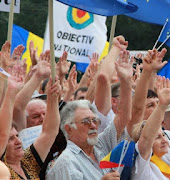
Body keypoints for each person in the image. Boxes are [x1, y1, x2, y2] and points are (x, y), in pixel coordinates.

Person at [47, 41, 133, 179]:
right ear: (69, 129)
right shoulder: (66, 163)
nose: (93, 125)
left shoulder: (100, 146)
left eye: (95, 120)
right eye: (86, 121)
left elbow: (122, 117)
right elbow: (102, 79)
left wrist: (127, 82)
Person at [1, 76, 61, 179]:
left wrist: (53, 97)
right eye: (10, 139)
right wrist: (10, 93)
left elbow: (49, 132)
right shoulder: (2, 168)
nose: (18, 141)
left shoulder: (28, 162)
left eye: (17, 136)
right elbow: (3, 133)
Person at [131, 77, 170, 180]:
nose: (164, 140)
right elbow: (146, 138)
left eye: (163, 135)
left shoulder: (169, 168)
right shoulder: (143, 166)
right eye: (157, 137)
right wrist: (161, 106)